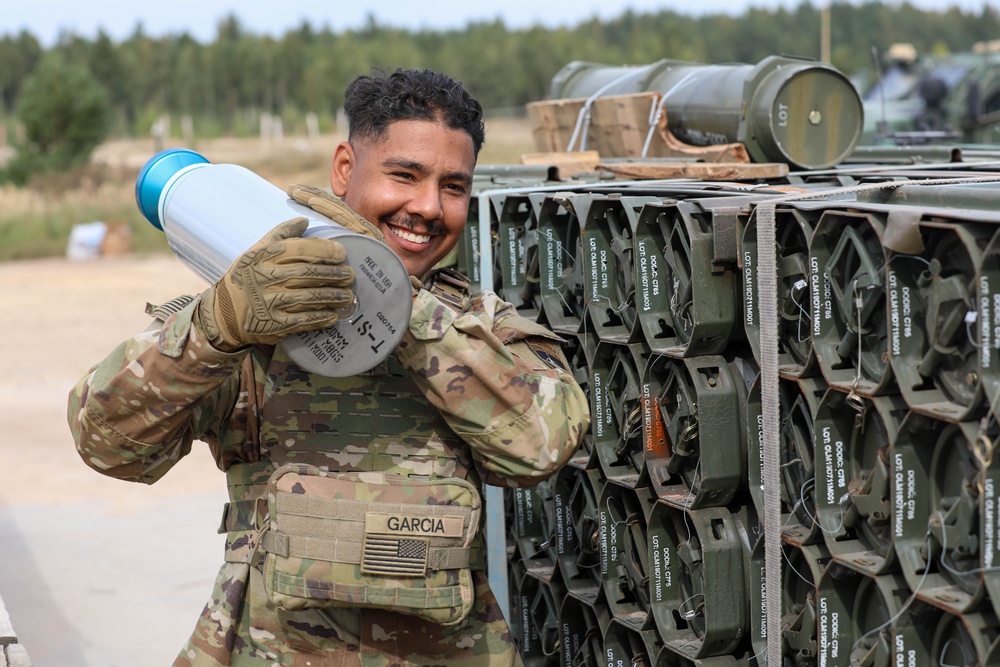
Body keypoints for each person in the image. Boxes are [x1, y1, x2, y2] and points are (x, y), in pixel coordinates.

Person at [67, 68, 590, 667]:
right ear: (345, 168)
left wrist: (396, 304)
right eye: (404, 175)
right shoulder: (252, 309)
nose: (426, 206)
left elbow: (542, 445)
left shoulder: (476, 327)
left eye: (453, 186)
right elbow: (107, 443)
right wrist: (216, 328)